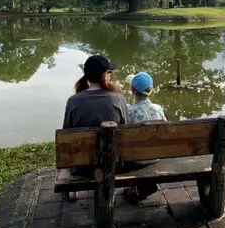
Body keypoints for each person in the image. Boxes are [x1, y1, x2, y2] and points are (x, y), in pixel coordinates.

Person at [63, 54, 127, 201]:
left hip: (82, 168)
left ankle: (74, 188)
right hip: (114, 166)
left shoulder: (73, 101)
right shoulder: (119, 99)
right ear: (105, 76)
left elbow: (67, 134)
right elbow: (125, 131)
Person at [123, 71, 165, 204]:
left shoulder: (128, 111)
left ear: (132, 90)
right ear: (150, 90)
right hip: (156, 156)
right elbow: (166, 130)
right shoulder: (158, 109)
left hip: (136, 159)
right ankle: (144, 186)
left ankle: (136, 188)